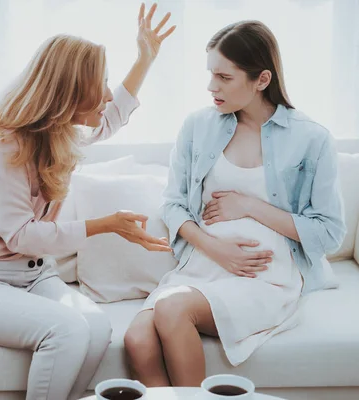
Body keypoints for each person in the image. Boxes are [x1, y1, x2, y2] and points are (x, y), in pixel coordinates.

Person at [0, 3, 175, 399]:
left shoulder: (58, 132)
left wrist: (145, 59)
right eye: (99, 83)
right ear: (67, 92)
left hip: (34, 276)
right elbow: (20, 236)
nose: (107, 92)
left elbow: (110, 116)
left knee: (98, 327)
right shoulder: (0, 144)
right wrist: (105, 225)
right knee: (67, 328)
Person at [124, 20, 346, 387]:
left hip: (262, 275)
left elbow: (329, 232)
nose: (212, 87)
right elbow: (172, 203)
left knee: (171, 308)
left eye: (225, 77)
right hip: (203, 265)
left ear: (262, 79)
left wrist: (249, 205)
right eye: (211, 74)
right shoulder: (197, 127)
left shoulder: (311, 138)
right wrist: (214, 247)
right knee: (136, 339)